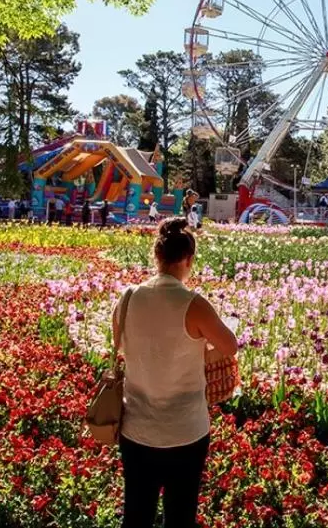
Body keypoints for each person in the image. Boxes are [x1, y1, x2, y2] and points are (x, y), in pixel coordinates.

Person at [113, 218, 237, 528]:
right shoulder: (193, 304)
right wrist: (199, 353)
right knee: (180, 518)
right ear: (189, 259)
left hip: (137, 429)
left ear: (156, 255)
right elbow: (229, 346)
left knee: (136, 515)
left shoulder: (127, 298)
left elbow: (122, 347)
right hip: (185, 431)